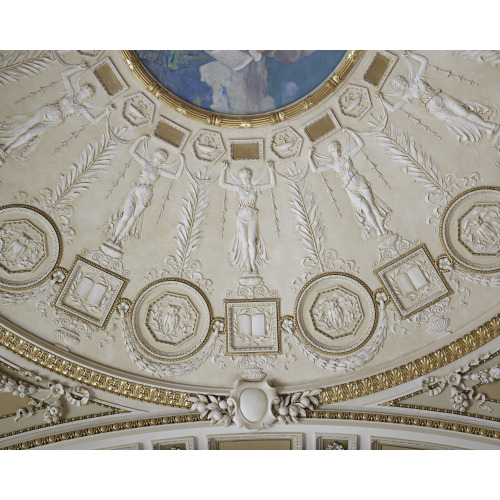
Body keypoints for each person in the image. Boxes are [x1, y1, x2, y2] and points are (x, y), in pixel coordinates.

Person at [377, 51, 500, 147]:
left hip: (440, 97)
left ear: (404, 78)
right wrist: (382, 99)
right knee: (460, 120)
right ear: (399, 88)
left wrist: (411, 55)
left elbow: (424, 61)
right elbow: (393, 108)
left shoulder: (418, 79)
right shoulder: (408, 95)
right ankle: (488, 128)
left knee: (464, 112)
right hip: (435, 109)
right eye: (398, 84)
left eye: (400, 80)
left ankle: (489, 125)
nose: (400, 83)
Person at [0, 64, 113, 162]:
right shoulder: (70, 93)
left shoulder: (80, 108)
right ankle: (5, 145)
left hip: (54, 122)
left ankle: (9, 149)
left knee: (30, 134)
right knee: (26, 126)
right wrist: (78, 68)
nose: (83, 92)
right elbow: (64, 74)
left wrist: (106, 113)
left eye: (86, 93)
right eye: (83, 89)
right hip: (48, 111)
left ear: (88, 97)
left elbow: (94, 121)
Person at [309, 128, 391, 239]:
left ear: (340, 149)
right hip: (350, 188)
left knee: (372, 205)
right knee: (366, 208)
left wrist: (352, 132)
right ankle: (378, 230)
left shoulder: (346, 157)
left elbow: (360, 144)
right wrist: (310, 157)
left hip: (360, 182)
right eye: (333, 151)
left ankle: (383, 228)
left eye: (337, 149)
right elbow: (315, 170)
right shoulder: (333, 165)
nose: (336, 152)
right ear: (331, 153)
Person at [105, 135, 184, 248]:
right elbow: (132, 151)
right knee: (126, 215)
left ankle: (118, 240)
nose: (158, 160)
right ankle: (113, 238)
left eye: (161, 159)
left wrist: (182, 161)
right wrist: (139, 139)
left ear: (162, 161)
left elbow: (176, 176)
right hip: (136, 190)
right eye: (157, 157)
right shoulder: (145, 164)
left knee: (133, 218)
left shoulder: (159, 171)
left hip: (146, 194)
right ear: (154, 156)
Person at [219, 160, 275, 274]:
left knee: (251, 241)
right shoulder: (239, 189)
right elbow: (222, 184)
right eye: (242, 177)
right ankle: (248, 266)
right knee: (244, 241)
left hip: (252, 216)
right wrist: (223, 170)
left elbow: (272, 184)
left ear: (250, 177)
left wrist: (271, 170)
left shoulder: (255, 188)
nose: (244, 179)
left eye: (246, 177)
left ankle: (253, 264)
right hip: (241, 217)